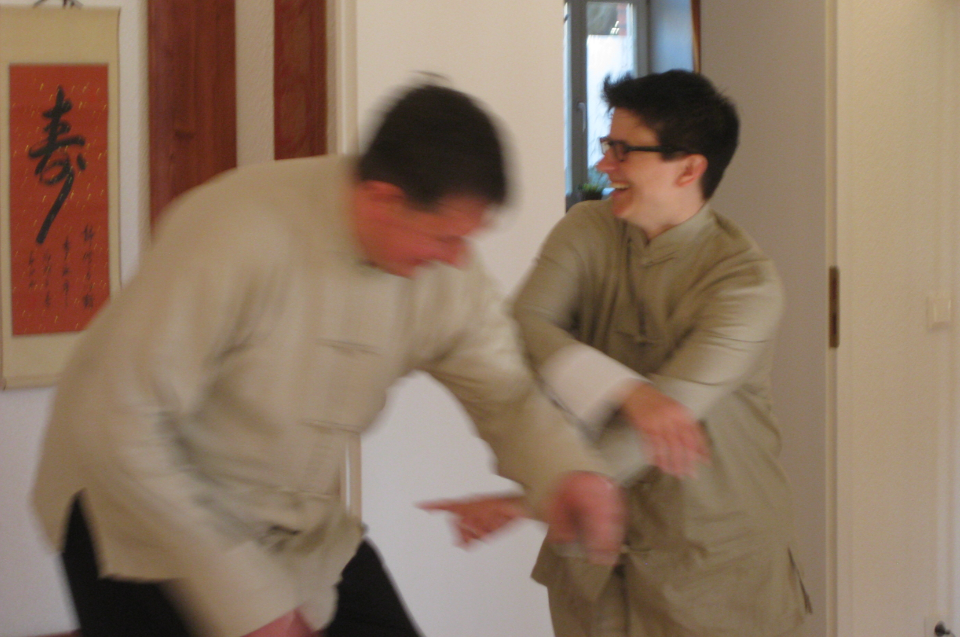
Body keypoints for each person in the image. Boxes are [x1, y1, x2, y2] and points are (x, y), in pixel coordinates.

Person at [31, 83, 626, 636]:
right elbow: (120, 421)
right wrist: (246, 600)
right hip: (132, 507)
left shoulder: (445, 274)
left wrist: (564, 470)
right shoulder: (235, 230)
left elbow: (505, 392)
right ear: (381, 199)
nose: (457, 259)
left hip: (289, 518)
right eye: (445, 237)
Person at [422, 70, 811, 635]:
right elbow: (522, 325)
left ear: (688, 168)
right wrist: (627, 390)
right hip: (594, 566)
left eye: (624, 151)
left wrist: (528, 502)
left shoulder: (746, 285)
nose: (604, 164)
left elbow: (658, 430)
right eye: (608, 145)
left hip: (714, 570)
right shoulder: (588, 228)